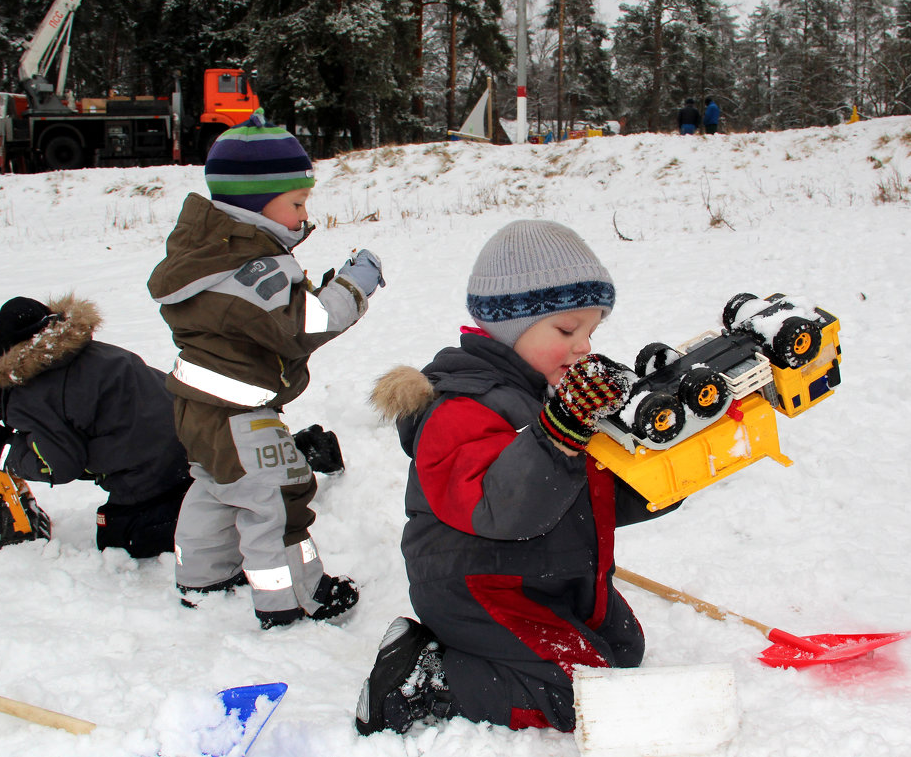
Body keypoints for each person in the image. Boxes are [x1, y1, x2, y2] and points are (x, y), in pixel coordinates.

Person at [355, 220, 683, 736]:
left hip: (548, 573)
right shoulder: (459, 408)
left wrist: (667, 451)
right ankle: (419, 679)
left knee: (623, 650)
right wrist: (558, 436)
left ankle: (494, 655)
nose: (583, 347)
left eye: (592, 332)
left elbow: (590, 492)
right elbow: (505, 509)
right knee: (578, 694)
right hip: (479, 583)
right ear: (511, 327)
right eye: (567, 331)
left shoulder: (551, 396)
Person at [148, 110, 383, 629]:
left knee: (217, 486)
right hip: (241, 415)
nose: (304, 215)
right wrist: (353, 286)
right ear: (257, 203)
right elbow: (303, 325)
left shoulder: (206, 252)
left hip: (199, 410)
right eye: (297, 203)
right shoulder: (257, 267)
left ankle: (203, 578)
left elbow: (258, 320)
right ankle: (294, 599)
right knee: (278, 500)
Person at [0, 278, 192, 558]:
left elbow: (61, 464)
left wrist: (1, 448)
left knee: (121, 540)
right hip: (188, 432)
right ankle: (192, 495)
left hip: (156, 465)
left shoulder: (27, 395)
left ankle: (187, 514)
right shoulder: (50, 353)